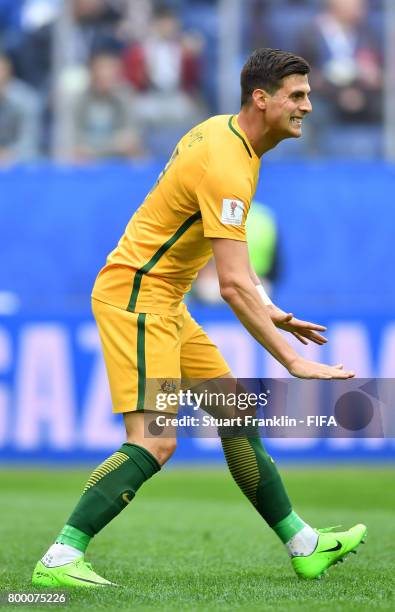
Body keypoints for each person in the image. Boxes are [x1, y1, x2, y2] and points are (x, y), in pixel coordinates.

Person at [32, 48, 366, 588]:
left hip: (163, 297)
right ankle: (60, 557)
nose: (308, 105)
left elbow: (223, 254)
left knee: (234, 412)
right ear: (262, 98)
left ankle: (304, 545)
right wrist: (293, 361)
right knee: (156, 440)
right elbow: (232, 284)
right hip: (137, 298)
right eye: (297, 95)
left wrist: (275, 313)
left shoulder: (223, 136)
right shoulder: (230, 164)